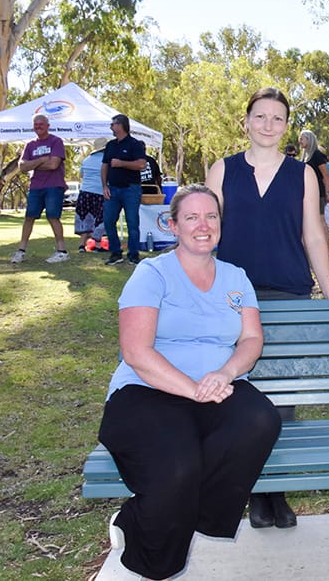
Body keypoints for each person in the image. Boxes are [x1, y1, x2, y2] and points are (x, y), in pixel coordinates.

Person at [98, 184, 281, 581]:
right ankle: (153, 558)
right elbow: (136, 352)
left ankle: (171, 513)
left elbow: (252, 339)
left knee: (260, 420)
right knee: (178, 468)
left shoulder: (236, 277)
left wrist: (225, 374)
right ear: (173, 225)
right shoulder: (152, 274)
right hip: (148, 392)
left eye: (211, 216)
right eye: (192, 217)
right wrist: (192, 388)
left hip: (217, 386)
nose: (203, 225)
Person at [205, 87, 329, 531]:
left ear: (287, 126)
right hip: (234, 300)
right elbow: (206, 234)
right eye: (260, 116)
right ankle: (254, 492)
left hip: (289, 295)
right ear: (246, 121)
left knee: (284, 404)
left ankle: (277, 491)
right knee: (243, 401)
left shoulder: (301, 175)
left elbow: (313, 235)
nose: (268, 125)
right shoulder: (222, 170)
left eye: (278, 119)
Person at [10, 115, 69, 264]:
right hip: (36, 186)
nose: (38, 127)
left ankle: (61, 251)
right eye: (35, 124)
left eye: (41, 124)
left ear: (48, 125)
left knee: (53, 216)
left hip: (54, 185)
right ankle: (21, 251)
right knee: (29, 217)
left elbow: (53, 165)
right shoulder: (30, 145)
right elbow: (22, 167)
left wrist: (33, 164)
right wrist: (41, 160)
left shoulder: (56, 141)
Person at [101, 114, 147, 266]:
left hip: (131, 189)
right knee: (108, 221)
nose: (111, 127)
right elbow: (105, 166)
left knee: (132, 223)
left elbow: (141, 164)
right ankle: (116, 253)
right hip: (112, 190)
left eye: (113, 124)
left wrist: (122, 163)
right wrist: (104, 186)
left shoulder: (135, 144)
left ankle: (133, 254)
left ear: (121, 125)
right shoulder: (110, 145)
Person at [74, 138, 108, 253]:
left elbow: (81, 175)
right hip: (99, 192)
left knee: (84, 217)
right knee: (99, 218)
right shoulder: (106, 161)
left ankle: (81, 245)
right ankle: (97, 245)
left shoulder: (86, 160)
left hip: (85, 192)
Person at [299, 129, 329, 216]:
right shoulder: (305, 157)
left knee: (320, 220)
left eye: (302, 139)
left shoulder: (317, 155)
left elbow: (326, 176)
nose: (300, 141)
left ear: (309, 139)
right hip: (307, 193)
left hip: (318, 193)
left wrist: (326, 193)